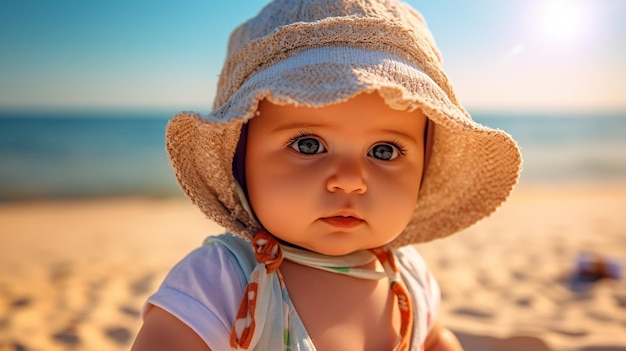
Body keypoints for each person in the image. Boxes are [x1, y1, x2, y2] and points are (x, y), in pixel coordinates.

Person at [132, 0, 522, 350]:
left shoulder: (409, 278)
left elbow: (434, 340)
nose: (350, 179)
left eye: (383, 151)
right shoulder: (220, 282)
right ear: (239, 160)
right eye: (308, 145)